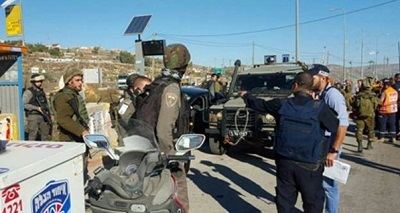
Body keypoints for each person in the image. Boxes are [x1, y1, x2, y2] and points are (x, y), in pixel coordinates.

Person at [239, 72, 339, 212]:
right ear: (311, 88)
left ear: (296, 85)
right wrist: (333, 151)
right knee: (313, 202)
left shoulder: (281, 104)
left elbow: (260, 105)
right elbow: (334, 126)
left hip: (284, 161)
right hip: (310, 165)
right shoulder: (321, 108)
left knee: (285, 201)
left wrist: (246, 95)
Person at [134, 43, 191, 212]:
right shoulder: (171, 88)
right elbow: (164, 129)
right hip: (163, 152)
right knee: (178, 190)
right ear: (184, 65)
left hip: (147, 149)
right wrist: (172, 157)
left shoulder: (157, 83)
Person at [307, 64, 349, 213]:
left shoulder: (333, 95)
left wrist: (333, 151)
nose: (309, 79)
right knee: (319, 182)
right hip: (320, 144)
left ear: (323, 78)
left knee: (329, 185)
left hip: (330, 145)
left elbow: (343, 125)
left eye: (313, 77)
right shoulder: (318, 94)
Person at [52, 68, 90, 142]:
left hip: (78, 136)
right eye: (77, 80)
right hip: (69, 138)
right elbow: (63, 119)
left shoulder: (73, 95)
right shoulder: (63, 97)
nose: (80, 83)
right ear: (69, 81)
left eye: (81, 80)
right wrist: (82, 131)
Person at [352, 78, 381, 152]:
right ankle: (369, 144)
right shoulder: (373, 96)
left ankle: (360, 145)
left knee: (359, 130)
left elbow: (354, 105)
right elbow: (380, 103)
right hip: (370, 116)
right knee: (370, 130)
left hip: (360, 115)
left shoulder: (359, 96)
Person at [22, 74, 52, 141]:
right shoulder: (29, 92)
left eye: (41, 81)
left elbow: (46, 104)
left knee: (45, 135)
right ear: (33, 82)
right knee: (33, 135)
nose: (40, 83)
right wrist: (37, 108)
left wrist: (50, 114)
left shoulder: (41, 91)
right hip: (33, 116)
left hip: (43, 116)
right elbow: (25, 104)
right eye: (38, 82)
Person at [376, 78, 398, 143]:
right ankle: (393, 137)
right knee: (392, 124)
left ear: (386, 85)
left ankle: (381, 137)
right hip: (392, 110)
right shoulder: (394, 91)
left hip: (384, 110)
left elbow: (380, 101)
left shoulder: (385, 92)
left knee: (382, 124)